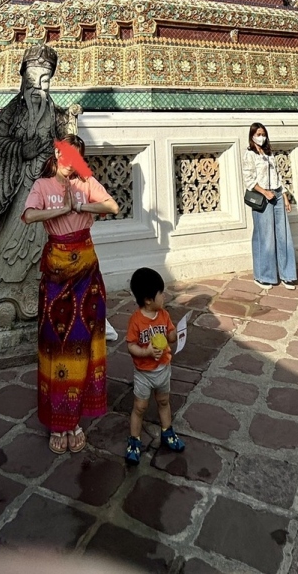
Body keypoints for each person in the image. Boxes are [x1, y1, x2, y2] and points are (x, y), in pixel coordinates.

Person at [23, 136, 118, 454]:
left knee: (84, 341)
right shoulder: (42, 185)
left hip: (87, 275)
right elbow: (29, 215)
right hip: (56, 273)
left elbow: (112, 206)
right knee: (56, 342)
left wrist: (81, 206)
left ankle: (74, 420)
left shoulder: (86, 182)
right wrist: (60, 210)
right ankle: (57, 421)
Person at [0, 44, 70, 332]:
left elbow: (68, 149)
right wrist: (21, 150)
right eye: (32, 79)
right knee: (12, 241)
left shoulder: (56, 114)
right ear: (22, 78)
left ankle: (45, 299)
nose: (38, 86)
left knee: (49, 248)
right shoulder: (12, 112)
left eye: (45, 80)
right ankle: (3, 302)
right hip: (20, 188)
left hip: (48, 189)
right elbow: (0, 141)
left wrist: (70, 131)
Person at [124, 267, 186, 464]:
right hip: (144, 373)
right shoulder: (136, 321)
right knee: (140, 407)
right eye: (161, 293)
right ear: (148, 300)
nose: (164, 296)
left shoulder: (163, 315)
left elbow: (170, 335)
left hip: (163, 369)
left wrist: (176, 334)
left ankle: (167, 431)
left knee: (164, 401)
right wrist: (147, 352)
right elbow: (131, 346)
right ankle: (134, 439)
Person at [242, 122, 296, 288]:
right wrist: (265, 192)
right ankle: (263, 276)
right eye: (258, 134)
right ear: (252, 136)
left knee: (283, 235)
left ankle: (287, 275)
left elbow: (277, 176)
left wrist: (285, 197)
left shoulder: (269, 153)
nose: (261, 137)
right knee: (265, 237)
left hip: (277, 194)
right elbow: (249, 180)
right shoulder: (249, 154)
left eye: (263, 134)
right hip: (262, 197)